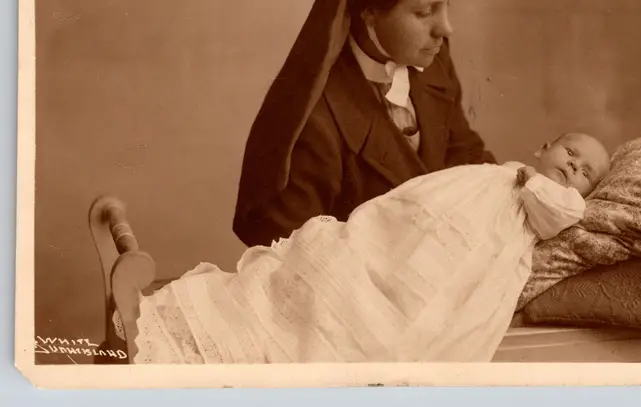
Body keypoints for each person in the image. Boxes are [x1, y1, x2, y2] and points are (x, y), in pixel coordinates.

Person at [133, 132, 609, 364]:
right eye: (570, 152)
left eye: (586, 172)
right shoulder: (496, 173)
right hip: (421, 227)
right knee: (365, 249)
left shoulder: (551, 198)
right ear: (543, 146)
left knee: (408, 309)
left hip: (472, 256)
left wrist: (533, 182)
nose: (573, 167)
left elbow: (557, 211)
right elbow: (424, 195)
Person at [232, 0, 496, 248]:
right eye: (425, 11)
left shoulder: (431, 59)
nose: (446, 28)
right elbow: (293, 255)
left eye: (448, 5)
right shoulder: (317, 122)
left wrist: (512, 186)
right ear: (370, 13)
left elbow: (464, 154)